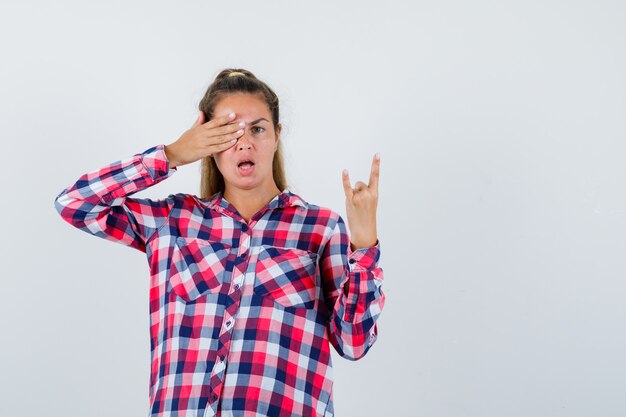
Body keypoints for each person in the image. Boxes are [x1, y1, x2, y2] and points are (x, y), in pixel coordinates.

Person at [54, 68, 385, 417]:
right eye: (228, 132)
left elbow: (354, 341)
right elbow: (74, 204)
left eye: (257, 129)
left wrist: (364, 243)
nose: (244, 142)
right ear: (207, 143)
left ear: (277, 136)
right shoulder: (172, 222)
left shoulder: (319, 229)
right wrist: (171, 154)